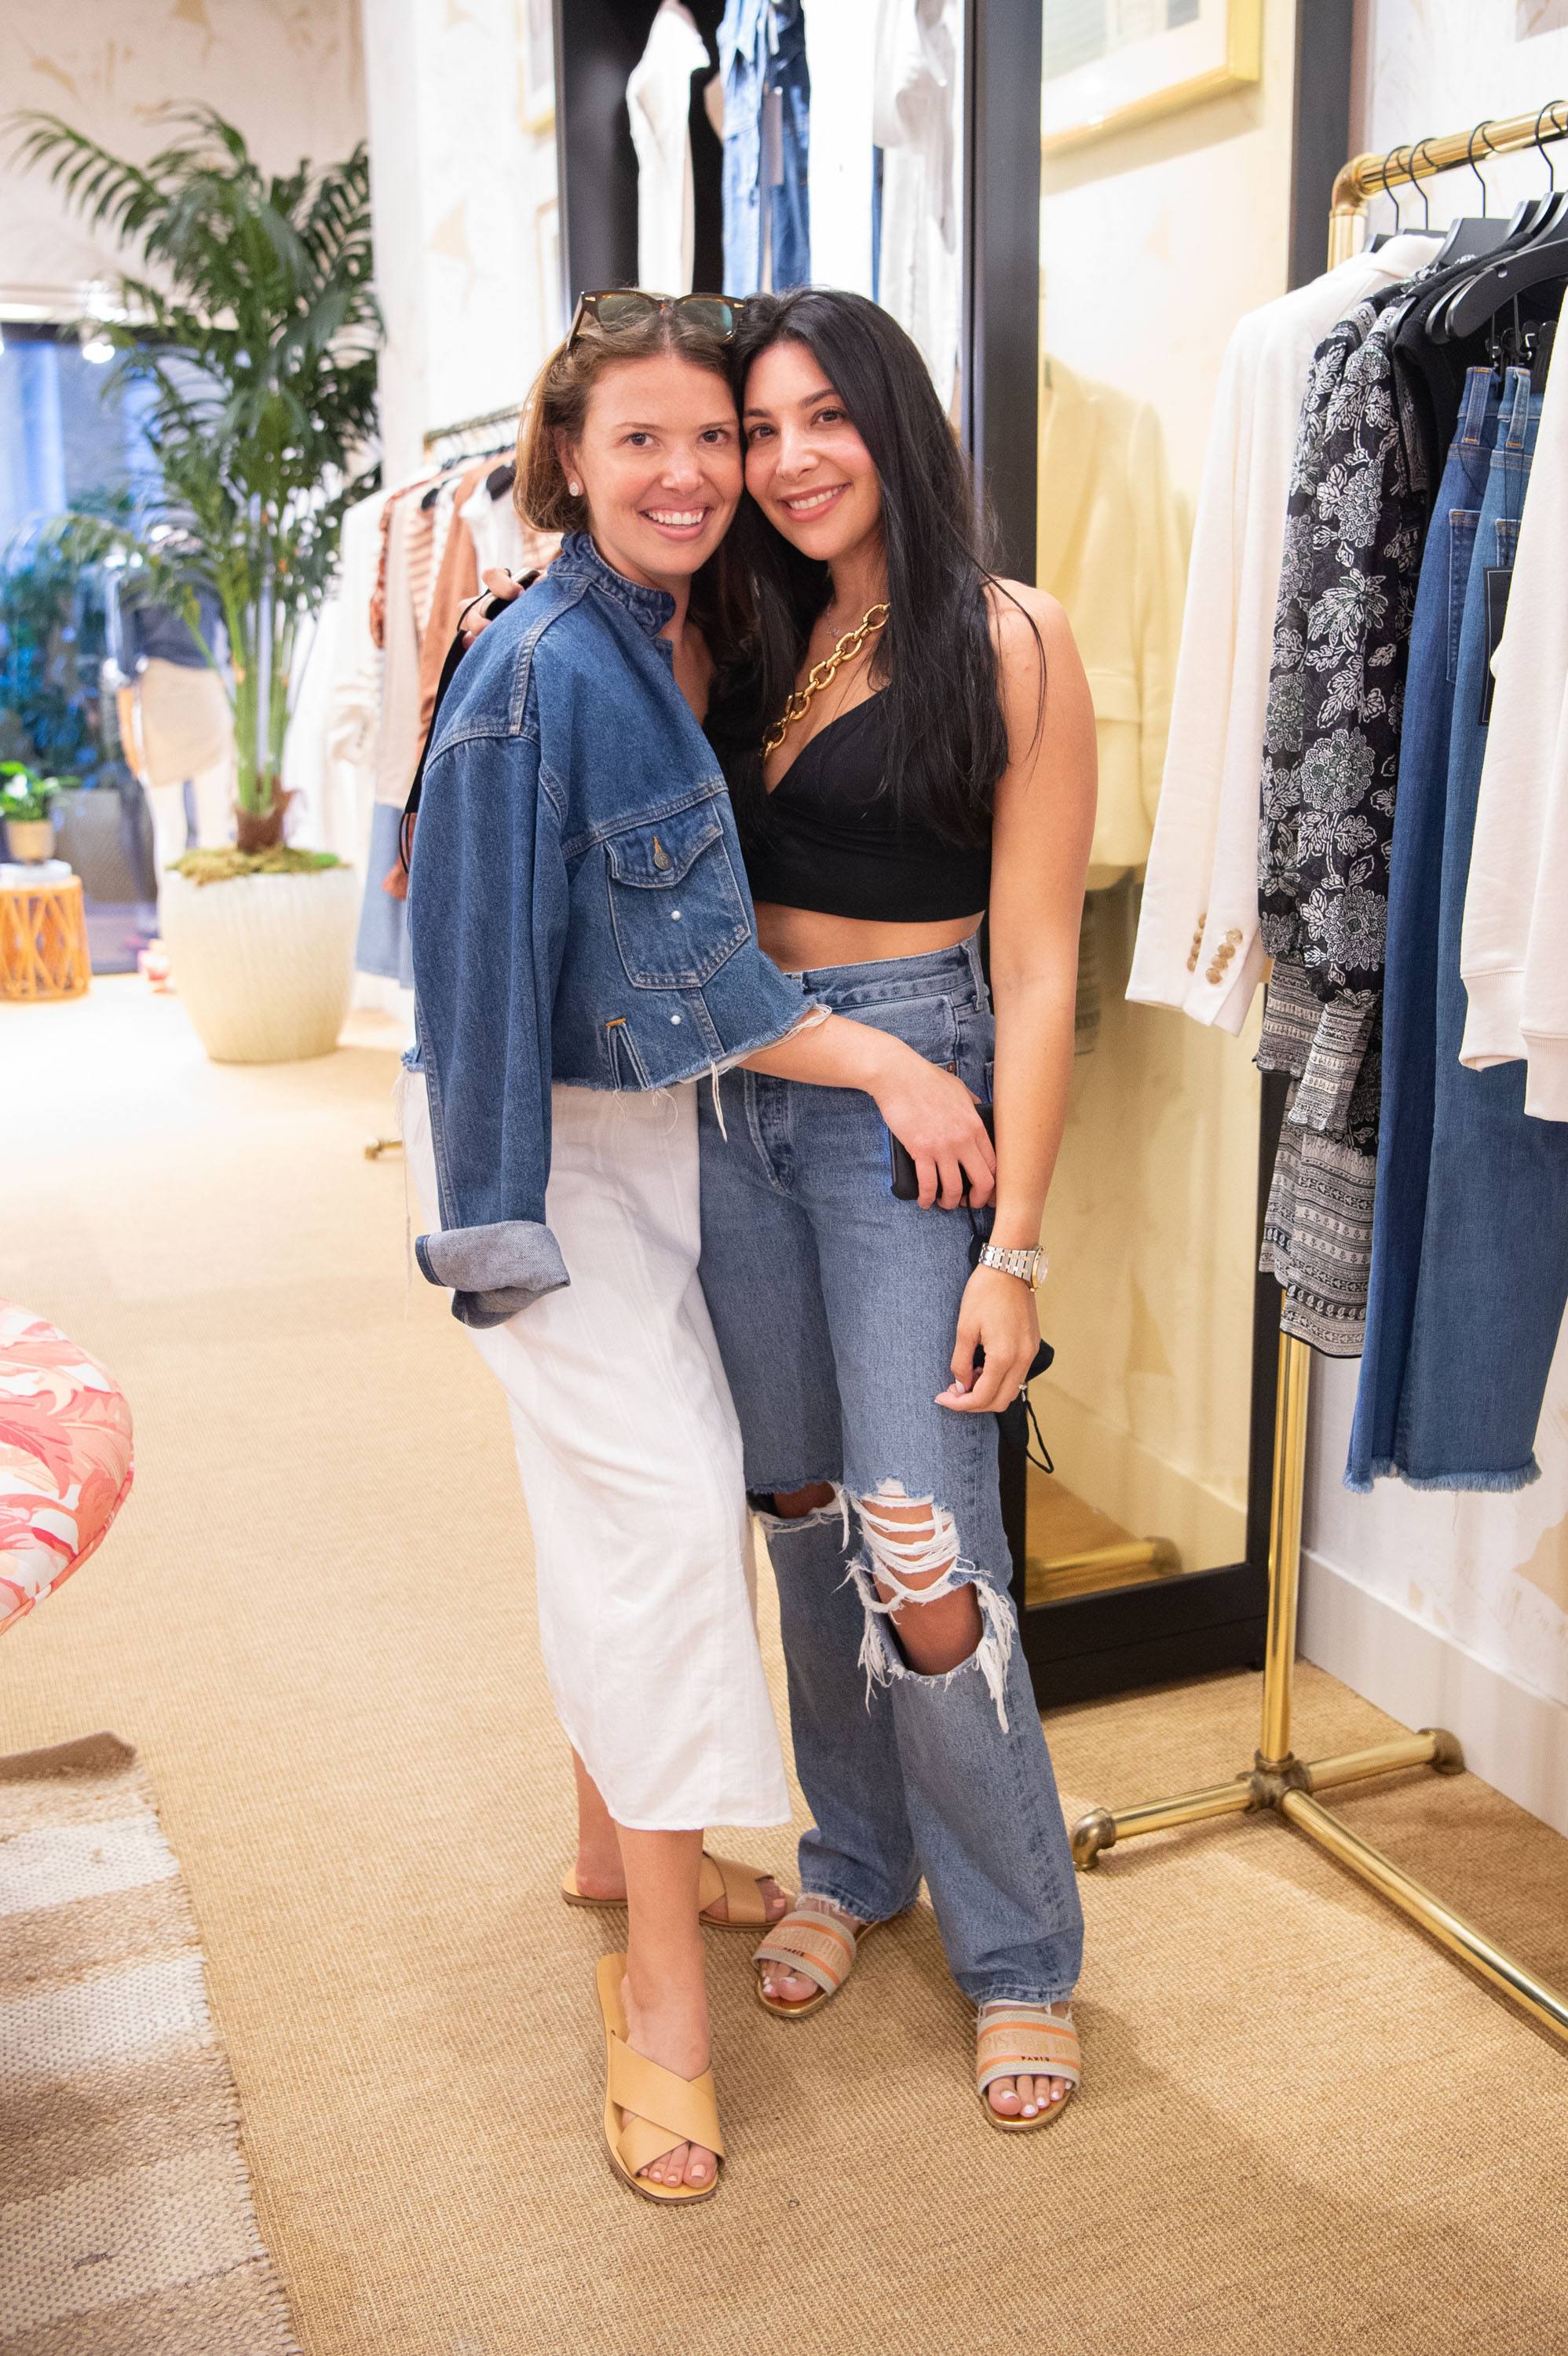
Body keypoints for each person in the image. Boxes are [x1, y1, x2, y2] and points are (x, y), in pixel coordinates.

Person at [402, 289, 995, 2204]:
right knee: (663, 1524)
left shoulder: (688, 633)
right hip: (550, 1156)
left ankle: (610, 1838)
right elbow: (507, 983)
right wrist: (892, 1072)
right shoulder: (534, 676)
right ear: (564, 454)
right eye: (641, 439)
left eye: (715, 439)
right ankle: (659, 1993)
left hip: (668, 1134)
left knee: (640, 1511)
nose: (693, 473)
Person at [696, 287, 1096, 2131]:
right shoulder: (736, 628)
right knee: (794, 1509)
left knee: (921, 1541)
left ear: (892, 419)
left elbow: (1033, 966)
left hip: (917, 1104)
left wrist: (1014, 1245)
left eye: (815, 418)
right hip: (740, 1095)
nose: (785, 461)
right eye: (756, 428)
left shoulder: (1009, 640)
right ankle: (855, 1862)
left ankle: (1019, 1955)